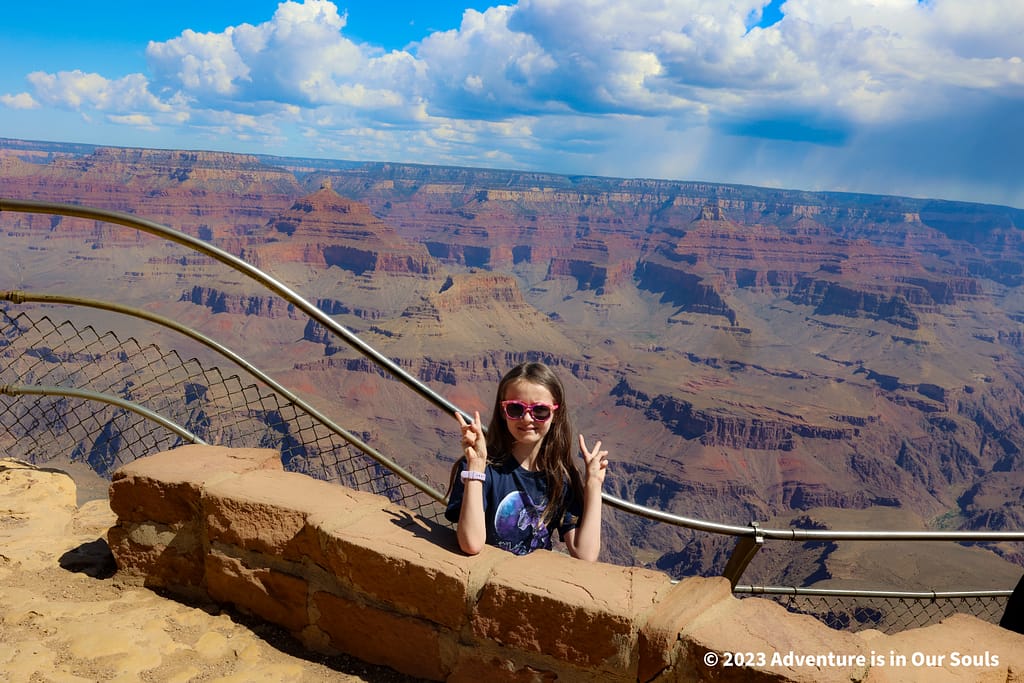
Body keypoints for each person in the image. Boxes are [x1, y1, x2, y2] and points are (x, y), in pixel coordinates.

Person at [445, 361, 609, 560]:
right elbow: (471, 544)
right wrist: (476, 468)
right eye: (515, 409)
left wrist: (593, 485)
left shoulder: (561, 479)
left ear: (555, 414)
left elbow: (585, 553)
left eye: (540, 410)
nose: (527, 418)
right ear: (502, 412)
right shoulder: (480, 469)